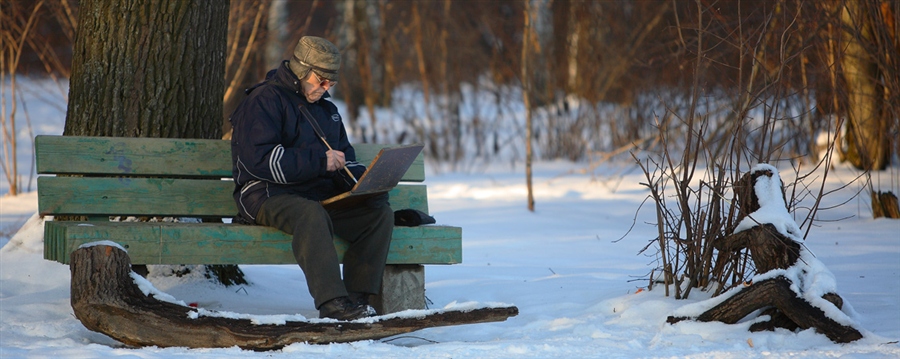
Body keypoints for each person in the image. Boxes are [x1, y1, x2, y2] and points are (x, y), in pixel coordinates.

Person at [229, 36, 393, 320]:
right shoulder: (264, 100)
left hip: (317, 196)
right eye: (321, 80)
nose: (326, 88)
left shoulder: (327, 111)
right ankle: (332, 305)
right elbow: (260, 161)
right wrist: (320, 162)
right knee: (310, 214)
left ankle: (358, 302)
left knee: (377, 216)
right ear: (301, 70)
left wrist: (365, 183)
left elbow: (346, 158)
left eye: (332, 82)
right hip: (267, 194)